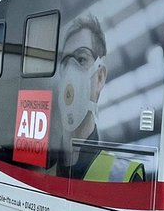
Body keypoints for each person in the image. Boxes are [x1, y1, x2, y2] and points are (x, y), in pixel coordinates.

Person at [53, 13, 145, 181]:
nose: (70, 73)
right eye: (65, 62)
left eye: (81, 59)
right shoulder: (42, 169)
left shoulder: (124, 178)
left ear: (100, 77)